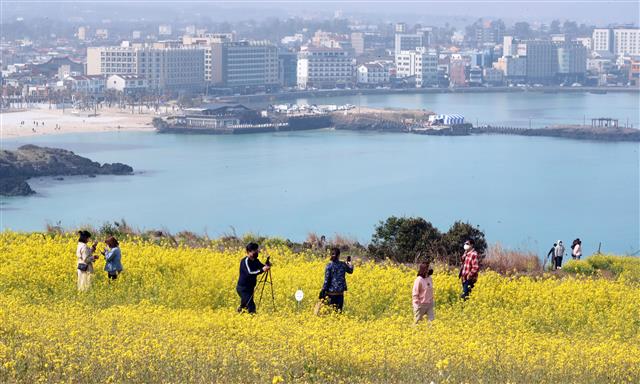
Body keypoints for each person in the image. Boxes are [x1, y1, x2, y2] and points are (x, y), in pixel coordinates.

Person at [236, 242, 270, 314]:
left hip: (250, 288)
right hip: (243, 288)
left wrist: (267, 265)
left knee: (244, 306)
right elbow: (250, 273)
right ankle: (252, 318)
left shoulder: (256, 261)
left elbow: (262, 267)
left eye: (257, 251)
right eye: (255, 251)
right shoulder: (245, 261)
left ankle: (239, 315)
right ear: (249, 252)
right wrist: (262, 270)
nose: (257, 253)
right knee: (251, 305)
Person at [320, 248, 354, 312]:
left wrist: (323, 290)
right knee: (338, 313)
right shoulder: (343, 264)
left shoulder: (329, 266)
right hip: (340, 294)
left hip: (330, 294)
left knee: (329, 313)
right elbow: (350, 271)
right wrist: (349, 263)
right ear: (338, 255)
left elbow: (326, 280)